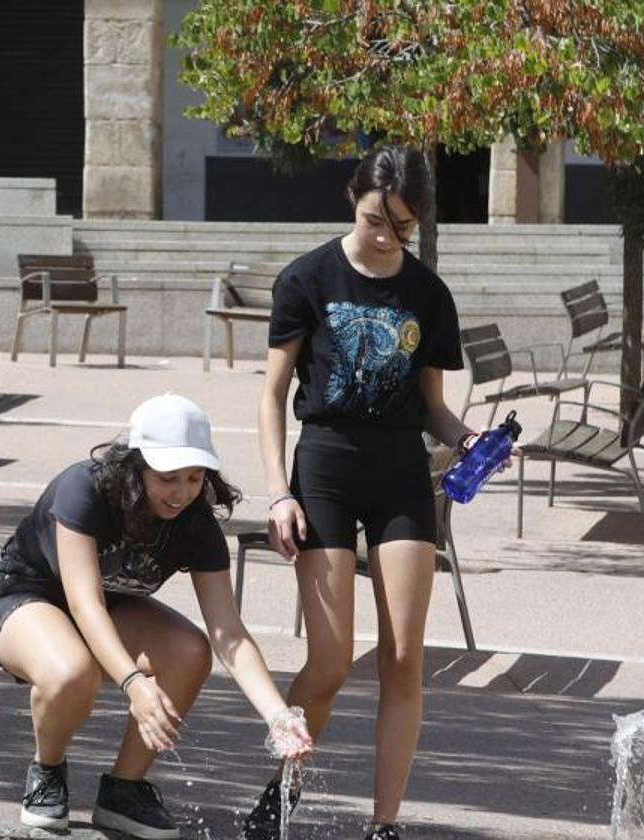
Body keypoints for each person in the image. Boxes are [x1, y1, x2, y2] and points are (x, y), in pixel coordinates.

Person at [249, 146, 480, 840]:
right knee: (329, 660)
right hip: (323, 465)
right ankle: (281, 794)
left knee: (404, 657)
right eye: (377, 218)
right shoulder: (307, 277)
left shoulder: (428, 294)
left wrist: (469, 441)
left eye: (402, 227)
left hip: (400, 473)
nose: (385, 237)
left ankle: (384, 825)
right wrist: (276, 493)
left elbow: (433, 408)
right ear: (354, 197)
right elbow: (270, 397)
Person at [0, 393, 312, 839]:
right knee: (72, 672)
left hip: (110, 609)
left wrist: (277, 715)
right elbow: (84, 604)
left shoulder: (195, 522)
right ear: (136, 467)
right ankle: (48, 770)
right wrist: (135, 685)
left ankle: (123, 789)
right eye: (168, 477)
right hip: (28, 599)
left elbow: (228, 633)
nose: (182, 492)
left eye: (195, 478)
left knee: (191, 651)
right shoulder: (86, 489)